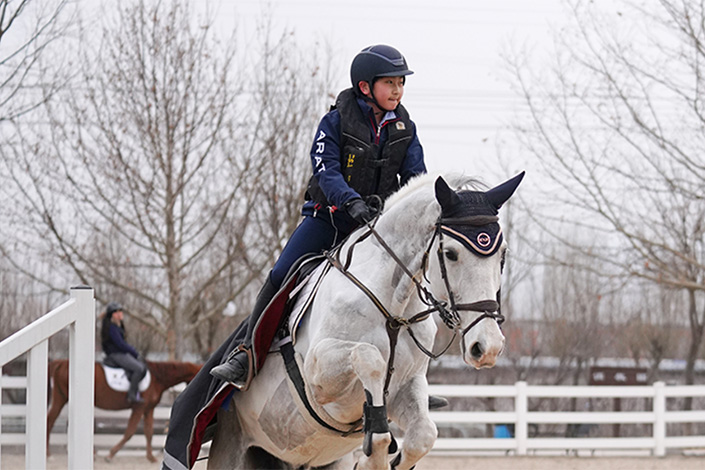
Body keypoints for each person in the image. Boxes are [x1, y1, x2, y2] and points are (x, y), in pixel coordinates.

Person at [210, 44, 427, 389]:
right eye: (390, 82)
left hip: (376, 228)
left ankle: (409, 378)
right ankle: (247, 353)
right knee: (281, 273)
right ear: (365, 87)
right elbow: (327, 171)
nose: (398, 90)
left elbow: (416, 178)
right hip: (329, 220)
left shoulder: (405, 128)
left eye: (401, 83)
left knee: (411, 281)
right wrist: (351, 201)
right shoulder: (336, 120)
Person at [101, 301, 147, 404]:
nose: (120, 314)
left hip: (120, 353)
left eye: (120, 311)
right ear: (112, 315)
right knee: (139, 368)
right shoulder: (112, 328)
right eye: (116, 312)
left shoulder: (118, 326)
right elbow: (120, 344)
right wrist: (135, 353)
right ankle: (131, 394)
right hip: (116, 354)